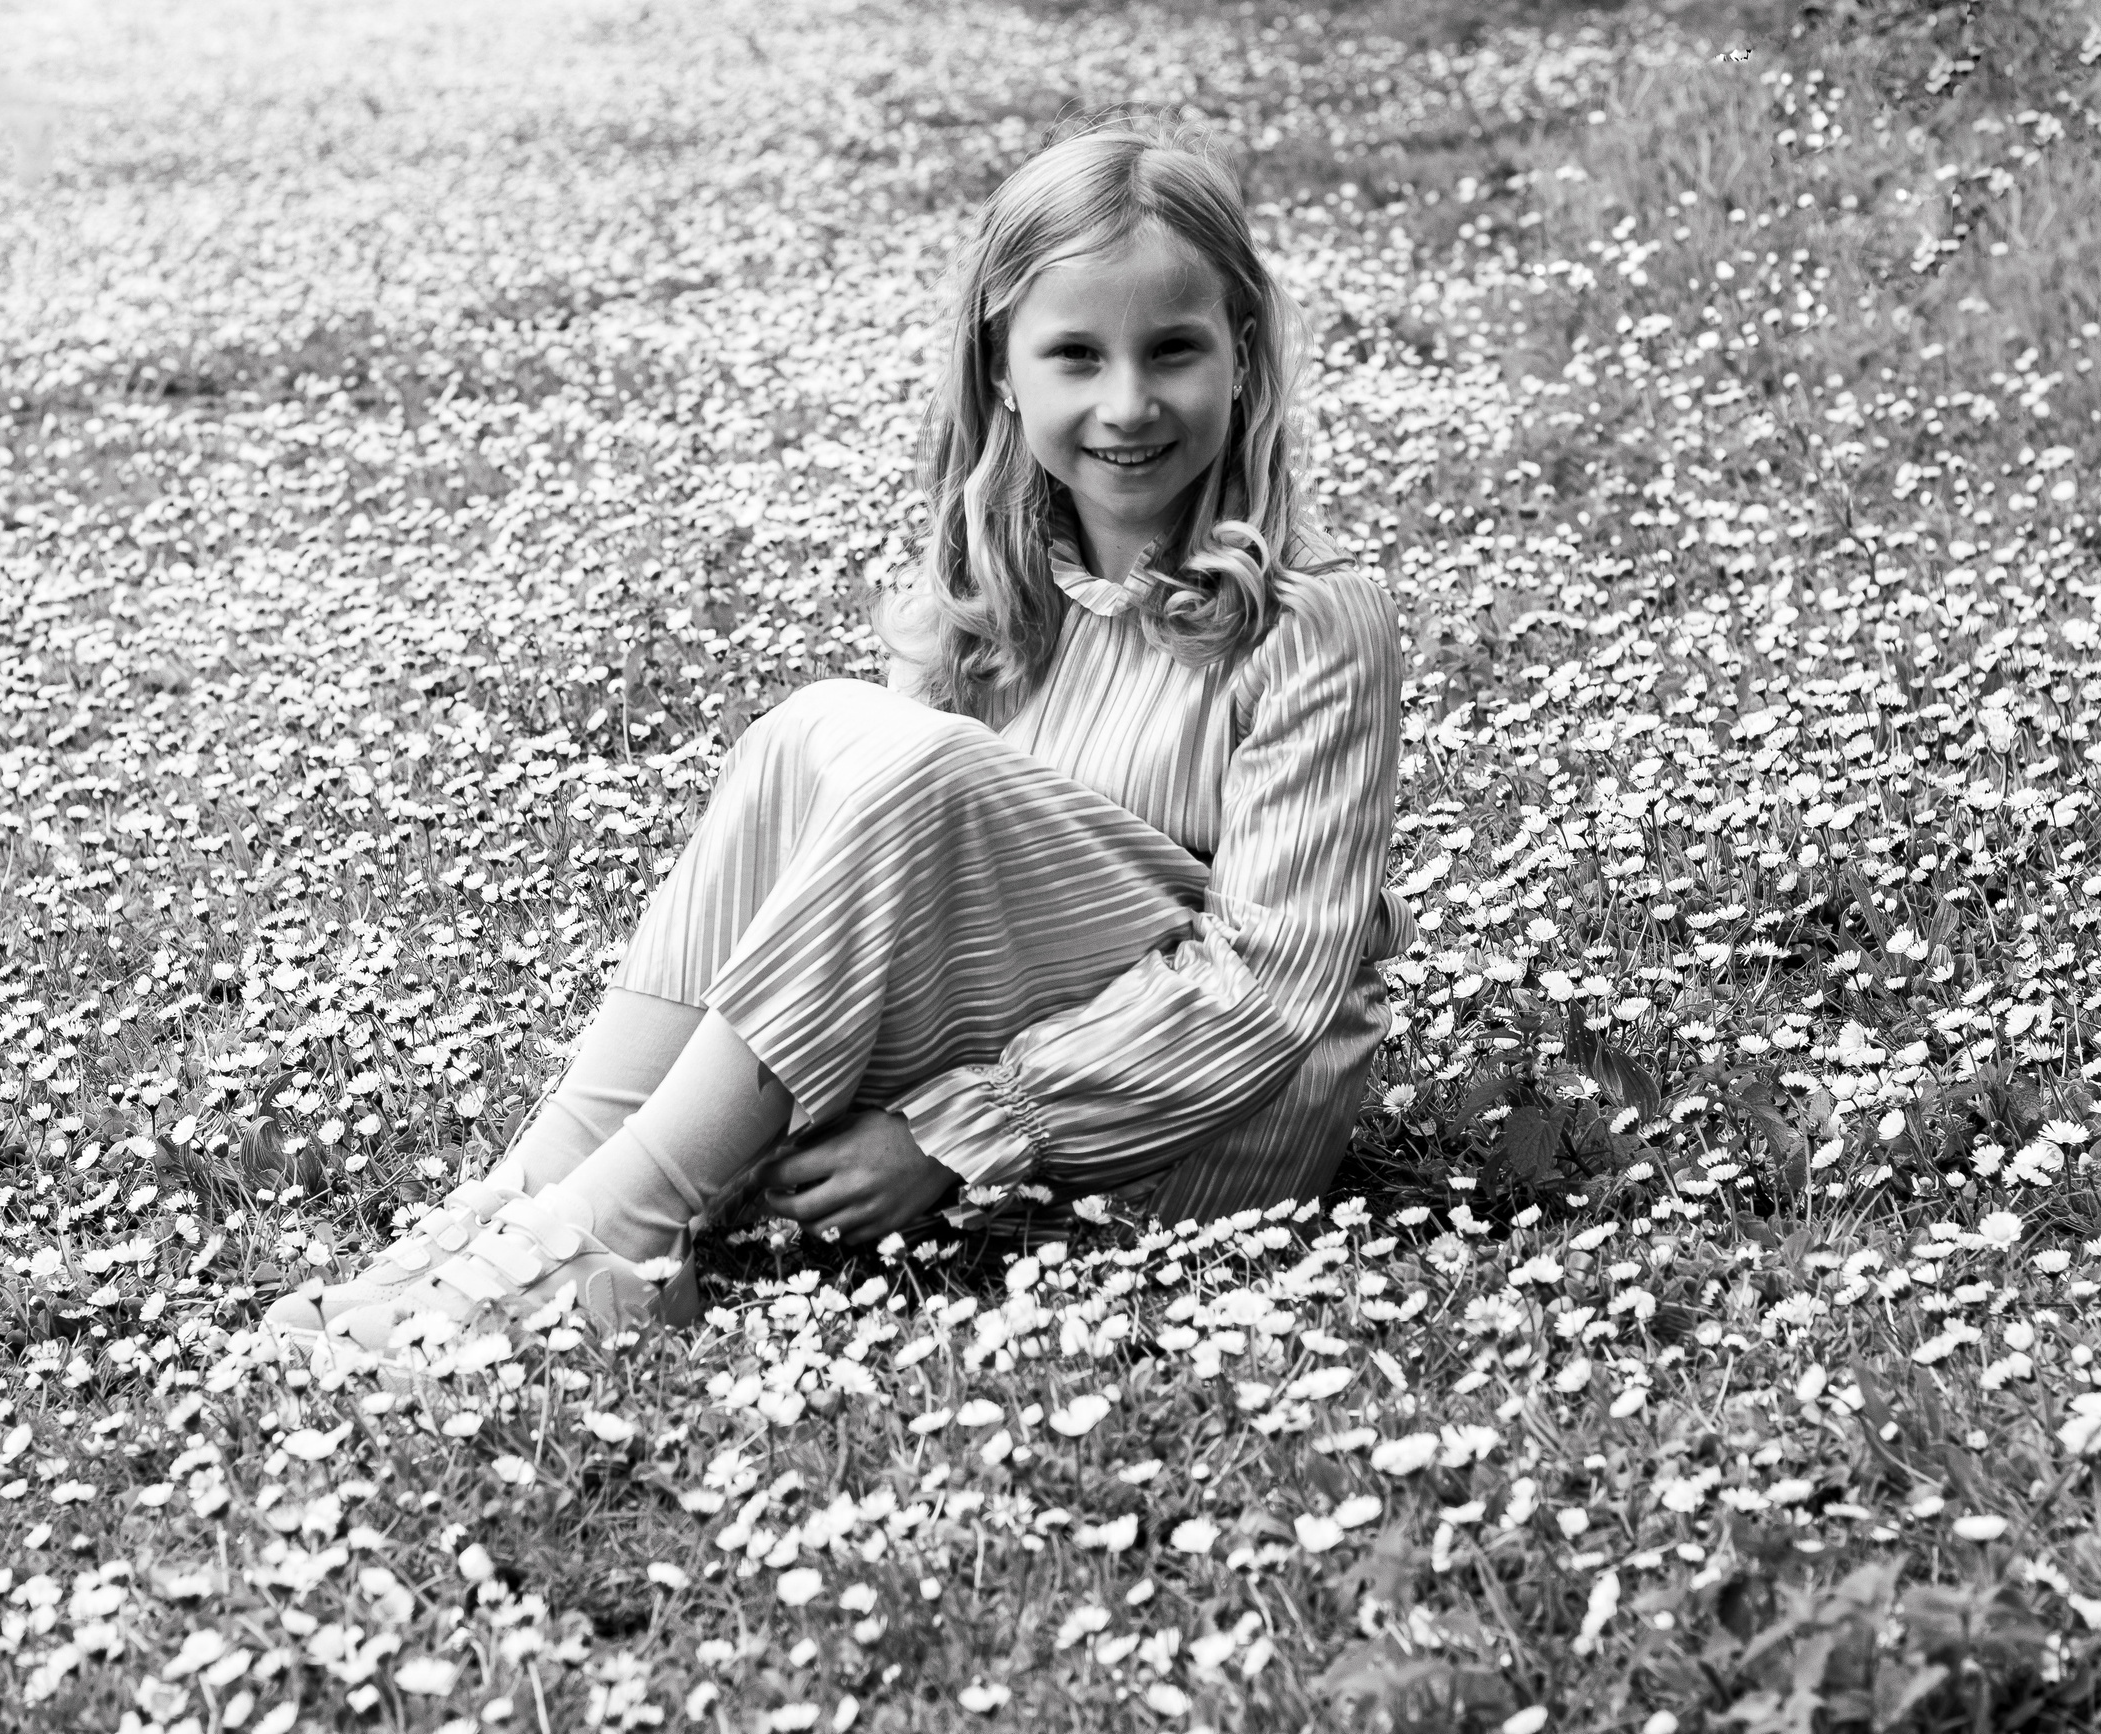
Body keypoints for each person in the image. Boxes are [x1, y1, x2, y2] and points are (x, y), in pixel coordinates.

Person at [264, 115, 1418, 1358]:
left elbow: (1270, 986)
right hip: (1003, 1075)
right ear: (1001, 371)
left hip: (1201, 1142)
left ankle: (625, 1238)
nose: (1127, 403)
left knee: (908, 764)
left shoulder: (1312, 623)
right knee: (806, 733)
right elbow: (882, 912)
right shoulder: (997, 596)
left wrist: (962, 1127)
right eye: (1075, 354)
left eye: (1173, 352)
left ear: (1241, 357)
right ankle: (528, 1202)